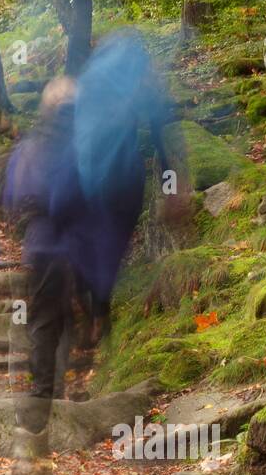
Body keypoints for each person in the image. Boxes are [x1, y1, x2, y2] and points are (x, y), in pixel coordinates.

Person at [0, 75, 90, 475]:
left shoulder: (30, 145)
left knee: (42, 321)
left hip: (39, 244)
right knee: (69, 315)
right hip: (73, 242)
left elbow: (12, 196)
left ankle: (44, 393)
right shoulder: (81, 143)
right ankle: (63, 386)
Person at [72, 29, 187, 347]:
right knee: (112, 243)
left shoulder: (87, 80)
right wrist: (172, 186)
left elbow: (68, 131)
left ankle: (86, 300)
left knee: (89, 239)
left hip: (83, 177)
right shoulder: (139, 82)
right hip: (123, 177)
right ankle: (100, 311)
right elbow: (161, 131)